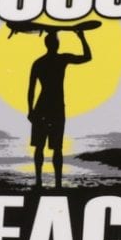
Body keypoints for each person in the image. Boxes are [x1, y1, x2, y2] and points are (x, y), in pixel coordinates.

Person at [27, 30, 92, 189]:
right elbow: (87, 57)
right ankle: (57, 183)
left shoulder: (39, 62)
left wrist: (30, 110)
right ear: (56, 45)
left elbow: (31, 89)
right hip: (56, 107)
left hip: (42, 107)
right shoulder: (61, 59)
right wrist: (82, 37)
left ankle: (39, 180)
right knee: (56, 147)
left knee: (40, 146)